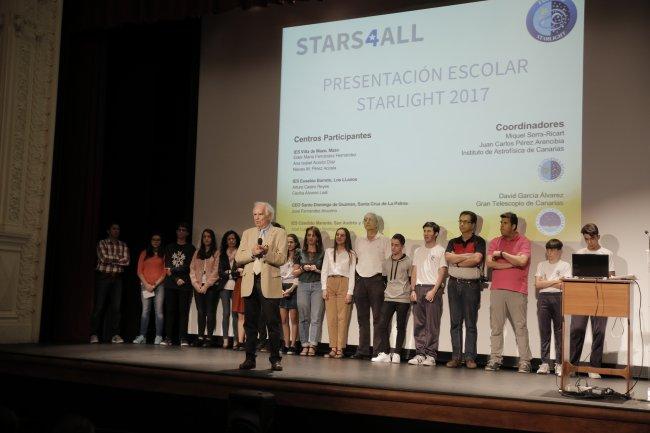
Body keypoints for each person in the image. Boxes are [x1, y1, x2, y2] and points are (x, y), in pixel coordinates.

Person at [235, 202, 287, 371]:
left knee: (272, 323)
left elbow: (281, 259)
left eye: (260, 214)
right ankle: (250, 358)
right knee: (250, 324)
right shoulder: (247, 233)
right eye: (254, 214)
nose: (256, 217)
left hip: (269, 282)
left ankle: (275, 359)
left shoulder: (279, 232)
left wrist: (266, 253)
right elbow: (238, 257)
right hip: (250, 281)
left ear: (269, 216)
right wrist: (253, 253)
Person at [485, 212, 532, 373]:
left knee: (520, 327)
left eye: (505, 223)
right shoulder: (495, 242)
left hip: (517, 290)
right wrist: (510, 264)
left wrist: (503, 254)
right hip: (497, 289)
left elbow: (522, 261)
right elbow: (490, 263)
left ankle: (525, 361)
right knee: (496, 327)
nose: (501, 226)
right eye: (501, 223)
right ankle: (495, 359)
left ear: (513, 226)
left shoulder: (523, 241)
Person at [569, 223, 615, 379]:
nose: (589, 242)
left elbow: (611, 276)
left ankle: (595, 367)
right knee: (576, 330)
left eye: (592, 238)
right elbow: (574, 276)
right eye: (586, 239)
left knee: (599, 332)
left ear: (598, 237)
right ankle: (573, 366)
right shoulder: (579, 253)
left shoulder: (606, 253)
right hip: (582, 296)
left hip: (601, 296)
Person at [444, 211, 486, 369]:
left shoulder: (479, 241)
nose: (462, 224)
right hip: (454, 284)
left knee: (470, 323)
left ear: (473, 224)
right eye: (460, 221)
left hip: (471, 286)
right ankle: (456, 357)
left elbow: (477, 259)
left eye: (465, 222)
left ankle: (470, 358)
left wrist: (458, 261)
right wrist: (467, 257)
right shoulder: (453, 241)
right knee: (455, 323)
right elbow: (448, 258)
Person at [408, 222, 448, 366]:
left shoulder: (440, 250)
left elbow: (442, 272)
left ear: (436, 233)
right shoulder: (418, 250)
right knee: (419, 324)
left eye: (429, 231)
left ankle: (431, 355)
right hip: (418, 288)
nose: (426, 233)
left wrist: (434, 290)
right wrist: (412, 289)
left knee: (432, 325)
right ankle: (420, 353)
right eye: (424, 230)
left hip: (432, 289)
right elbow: (414, 270)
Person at [353, 212, 391, 360]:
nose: (367, 222)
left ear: (377, 223)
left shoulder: (384, 240)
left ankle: (378, 351)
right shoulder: (359, 240)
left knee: (378, 318)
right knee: (362, 318)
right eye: (365, 220)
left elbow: (388, 263)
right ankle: (362, 350)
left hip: (376, 280)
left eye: (370, 220)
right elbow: (356, 259)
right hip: (360, 280)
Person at [372, 233, 411, 364]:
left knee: (400, 326)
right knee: (382, 325)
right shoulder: (386, 262)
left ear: (402, 246)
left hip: (403, 299)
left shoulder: (408, 262)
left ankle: (397, 353)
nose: (393, 248)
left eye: (396, 245)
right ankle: (386, 353)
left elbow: (411, 279)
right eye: (392, 245)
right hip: (388, 298)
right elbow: (384, 280)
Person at [535, 238, 571, 376]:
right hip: (543, 299)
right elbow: (538, 285)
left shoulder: (565, 265)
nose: (550, 252)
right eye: (548, 249)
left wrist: (546, 282)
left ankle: (559, 364)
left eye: (553, 250)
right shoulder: (541, 264)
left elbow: (564, 285)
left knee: (559, 331)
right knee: (544, 331)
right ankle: (544, 363)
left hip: (559, 298)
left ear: (559, 251)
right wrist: (555, 281)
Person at [90, 222, 130, 344]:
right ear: (108, 231)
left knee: (116, 308)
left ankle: (115, 334)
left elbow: (127, 261)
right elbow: (103, 258)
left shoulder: (123, 245)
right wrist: (118, 260)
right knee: (99, 306)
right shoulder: (102, 243)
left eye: (118, 229)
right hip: (104, 277)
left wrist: (112, 260)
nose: (116, 231)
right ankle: (94, 334)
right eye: (114, 228)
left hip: (117, 278)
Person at [321, 228, 356, 359]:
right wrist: (324, 288)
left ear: (346, 238)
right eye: (337, 234)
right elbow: (324, 270)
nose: (339, 237)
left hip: (344, 283)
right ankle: (333, 347)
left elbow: (352, 274)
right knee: (331, 318)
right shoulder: (329, 252)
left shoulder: (351, 253)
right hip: (330, 282)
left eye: (342, 235)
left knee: (342, 318)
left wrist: (350, 292)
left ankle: (340, 348)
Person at [161, 222, 196, 347]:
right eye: (179, 229)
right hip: (171, 283)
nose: (181, 232)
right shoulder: (170, 247)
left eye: (183, 230)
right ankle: (168, 337)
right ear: (176, 232)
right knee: (170, 310)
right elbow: (167, 266)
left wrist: (176, 271)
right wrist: (176, 279)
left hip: (185, 284)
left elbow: (189, 267)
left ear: (187, 233)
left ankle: (183, 338)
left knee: (183, 311)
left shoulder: (191, 248)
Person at [294, 226, 325, 356]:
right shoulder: (299, 252)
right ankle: (304, 344)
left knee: (316, 317)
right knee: (303, 317)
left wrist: (316, 270)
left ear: (317, 238)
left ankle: (313, 345)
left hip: (317, 285)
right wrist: (303, 269)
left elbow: (326, 272)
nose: (311, 238)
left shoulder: (323, 253)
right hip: (303, 285)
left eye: (313, 235)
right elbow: (294, 273)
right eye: (308, 235)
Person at [133, 233, 166, 345]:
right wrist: (146, 284)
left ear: (160, 241)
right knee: (145, 311)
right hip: (145, 285)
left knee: (159, 312)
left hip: (159, 286)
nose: (156, 241)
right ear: (150, 241)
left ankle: (159, 336)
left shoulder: (163, 254)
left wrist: (155, 285)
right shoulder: (144, 253)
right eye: (154, 239)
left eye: (158, 239)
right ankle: (142, 336)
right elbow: (139, 271)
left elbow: (164, 272)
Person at [190, 229, 220, 347]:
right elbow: (192, 269)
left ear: (212, 239)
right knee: (201, 312)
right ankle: (200, 336)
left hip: (211, 287)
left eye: (209, 237)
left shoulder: (216, 253)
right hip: (198, 287)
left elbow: (216, 271)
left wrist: (206, 285)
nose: (206, 239)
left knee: (210, 312)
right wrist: (197, 285)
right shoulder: (197, 253)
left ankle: (209, 338)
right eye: (204, 237)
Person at [217, 230, 241, 349]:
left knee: (235, 313)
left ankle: (237, 340)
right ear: (226, 241)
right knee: (225, 313)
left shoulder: (240, 252)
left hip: (237, 285)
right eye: (229, 239)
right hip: (224, 286)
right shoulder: (222, 254)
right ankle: (225, 339)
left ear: (236, 240)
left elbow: (240, 270)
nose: (231, 241)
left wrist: (231, 273)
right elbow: (220, 272)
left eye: (233, 238)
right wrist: (230, 273)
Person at [280, 234, 300, 354]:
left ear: (296, 244)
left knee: (293, 319)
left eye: (291, 242)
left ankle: (293, 344)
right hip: (281, 288)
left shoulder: (298, 257)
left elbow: (297, 275)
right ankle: (286, 344)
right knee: (283, 319)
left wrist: (291, 289)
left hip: (293, 287)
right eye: (287, 242)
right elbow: (277, 274)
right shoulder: (282, 257)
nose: (289, 244)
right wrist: (280, 290)